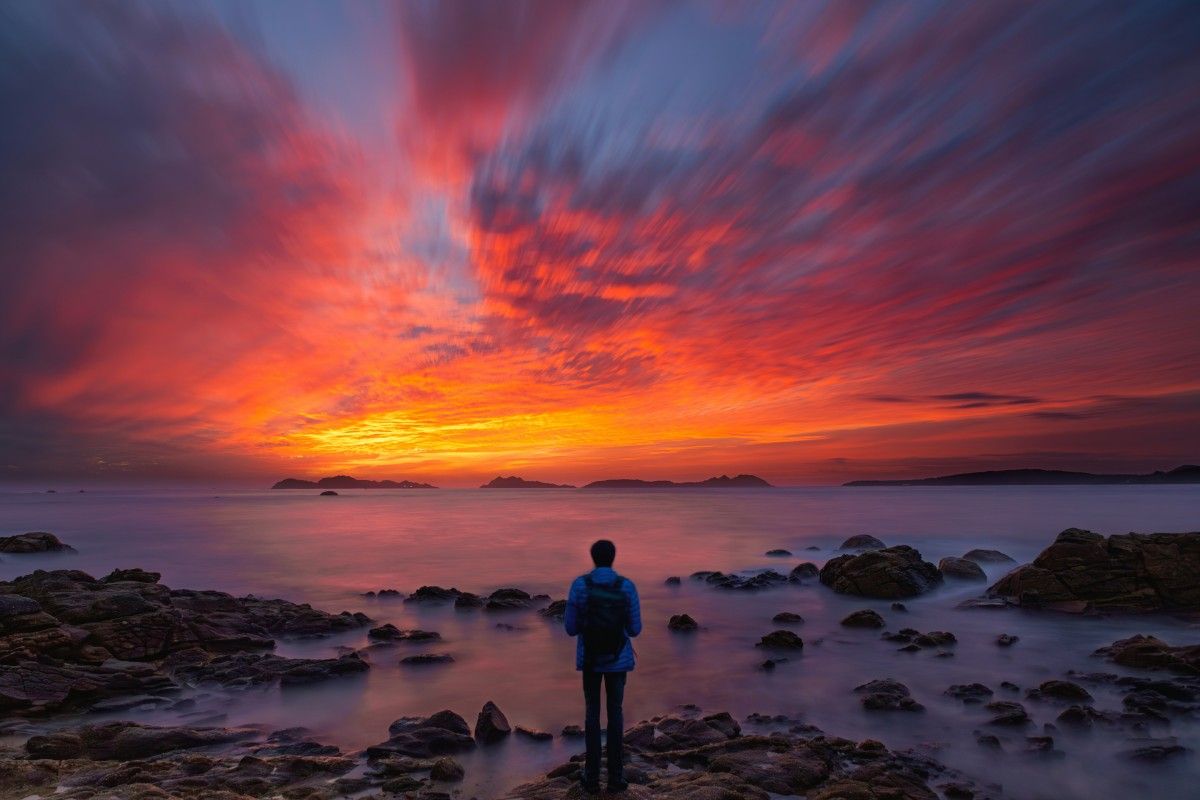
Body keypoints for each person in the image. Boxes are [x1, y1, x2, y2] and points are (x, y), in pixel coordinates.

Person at [563, 539, 642, 794]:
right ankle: (616, 778)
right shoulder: (626, 587)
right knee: (616, 714)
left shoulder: (580, 586)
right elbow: (635, 629)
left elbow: (570, 628)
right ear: (613, 558)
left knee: (592, 716)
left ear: (593, 557)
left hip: (590, 661)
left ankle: (592, 777)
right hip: (618, 661)